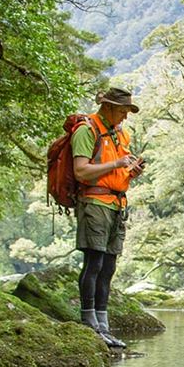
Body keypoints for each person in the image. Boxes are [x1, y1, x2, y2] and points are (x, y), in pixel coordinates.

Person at [72, 87, 144, 349]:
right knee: (94, 263)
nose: (125, 117)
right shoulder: (87, 130)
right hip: (94, 203)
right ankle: (89, 324)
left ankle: (104, 325)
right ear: (109, 107)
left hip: (116, 204)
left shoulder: (120, 134)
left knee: (109, 266)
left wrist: (129, 172)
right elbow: (81, 172)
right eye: (123, 111)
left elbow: (116, 171)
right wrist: (116, 165)